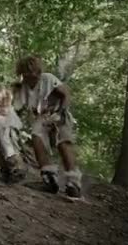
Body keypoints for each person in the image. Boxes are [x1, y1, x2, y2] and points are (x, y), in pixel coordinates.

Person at [12, 55, 82, 198]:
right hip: (42, 116)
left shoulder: (47, 78)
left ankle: (73, 183)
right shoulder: (23, 87)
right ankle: (49, 178)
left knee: (63, 143)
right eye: (27, 72)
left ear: (38, 71)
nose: (31, 75)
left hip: (58, 111)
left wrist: (60, 113)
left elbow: (66, 93)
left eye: (33, 71)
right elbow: (17, 109)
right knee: (37, 137)